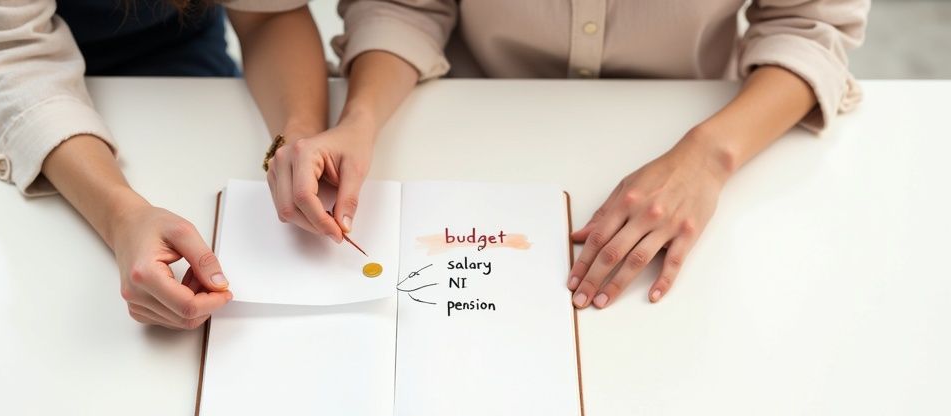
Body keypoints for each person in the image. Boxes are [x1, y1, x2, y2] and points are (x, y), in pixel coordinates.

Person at [267, 0, 868, 309]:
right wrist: (361, 119)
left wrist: (709, 156)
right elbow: (405, 6)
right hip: (462, 118)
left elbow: (809, 26)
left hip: (701, 123)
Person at [0, 0, 328, 329]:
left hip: (173, 43)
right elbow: (10, 53)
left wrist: (298, 137)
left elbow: (267, 15)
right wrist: (122, 217)